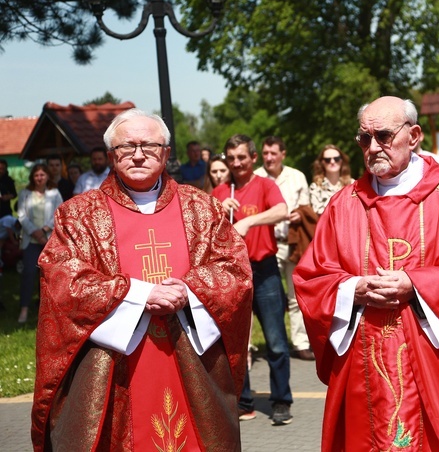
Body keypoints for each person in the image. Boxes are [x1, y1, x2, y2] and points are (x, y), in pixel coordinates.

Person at [293, 96, 439, 451]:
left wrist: (416, 284)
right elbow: (312, 278)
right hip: (365, 364)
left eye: (383, 135)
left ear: (415, 135)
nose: (373, 146)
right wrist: (352, 288)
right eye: (364, 139)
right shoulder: (343, 205)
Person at [31, 109, 253, 450]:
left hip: (191, 360)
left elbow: (234, 271)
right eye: (126, 147)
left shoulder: (202, 208)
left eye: (149, 145)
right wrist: (137, 294)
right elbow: (62, 281)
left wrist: (190, 290)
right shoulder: (78, 215)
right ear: (110, 155)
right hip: (112, 370)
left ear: (165, 152)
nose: (138, 154)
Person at [213, 134, 294, 425]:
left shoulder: (265, 185)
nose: (236, 163)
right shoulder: (220, 191)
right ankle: (243, 401)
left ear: (254, 158)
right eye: (231, 158)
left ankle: (281, 401)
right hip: (233, 272)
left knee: (275, 341)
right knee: (236, 341)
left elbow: (282, 211)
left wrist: (249, 220)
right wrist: (219, 213)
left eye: (241, 157)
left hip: (264, 269)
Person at [254, 136, 314, 361]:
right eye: (265, 153)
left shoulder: (296, 177)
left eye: (273, 153)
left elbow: (306, 208)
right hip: (265, 244)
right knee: (263, 298)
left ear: (283, 155)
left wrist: (299, 214)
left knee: (295, 294)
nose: (268, 158)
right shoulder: (256, 177)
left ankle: (300, 343)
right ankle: (268, 344)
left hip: (292, 242)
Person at [17, 164, 62, 323]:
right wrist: (35, 232)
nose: (39, 178)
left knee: (50, 276)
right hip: (31, 240)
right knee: (28, 273)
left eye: (42, 175)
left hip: (49, 240)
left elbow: (59, 212)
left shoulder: (54, 193)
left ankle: (50, 311)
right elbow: (21, 215)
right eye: (36, 175)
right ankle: (24, 309)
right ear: (32, 177)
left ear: (47, 176)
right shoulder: (25, 193)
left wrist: (44, 230)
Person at [309, 144, 353, 215]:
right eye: (327, 160)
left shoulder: (352, 184)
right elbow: (317, 211)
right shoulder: (315, 187)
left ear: (341, 160)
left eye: (336, 158)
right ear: (322, 163)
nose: (332, 162)